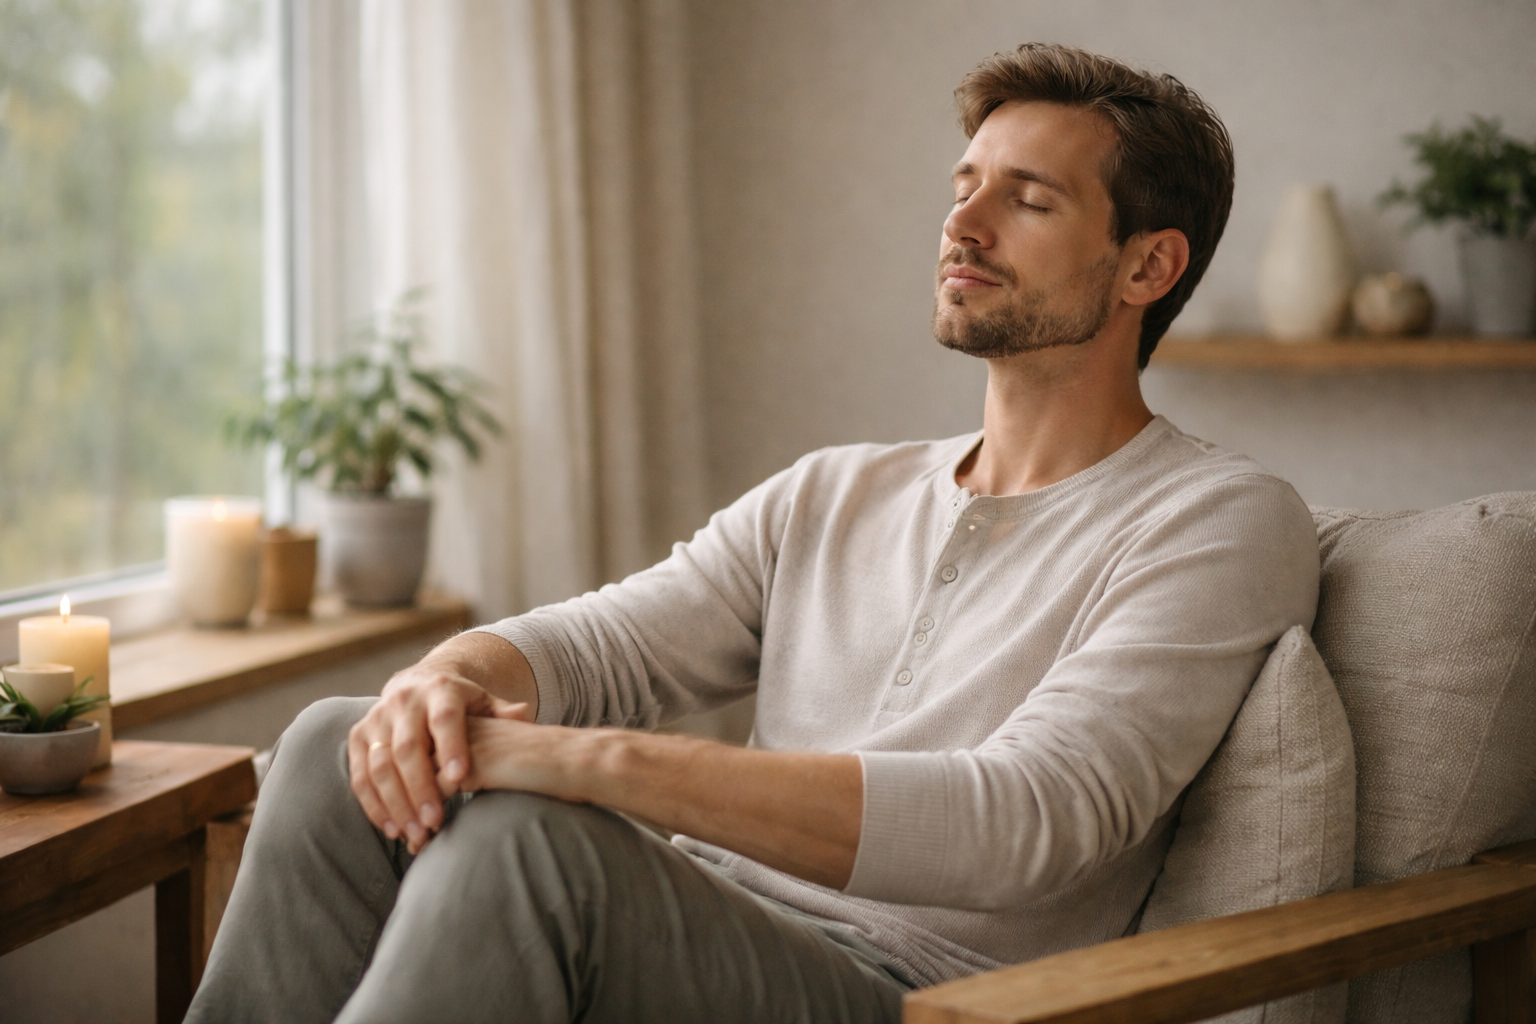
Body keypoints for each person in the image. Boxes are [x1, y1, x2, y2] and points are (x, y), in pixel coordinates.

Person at [188, 43, 1318, 1024]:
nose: (961, 225)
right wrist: (443, 685)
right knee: (340, 740)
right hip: (706, 923)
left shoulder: (1218, 517)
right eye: (964, 185)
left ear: (1147, 265)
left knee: (527, 841)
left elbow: (1026, 818)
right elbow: (605, 646)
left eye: (1027, 201)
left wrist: (585, 762)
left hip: (921, 993)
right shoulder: (837, 490)